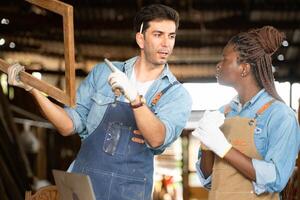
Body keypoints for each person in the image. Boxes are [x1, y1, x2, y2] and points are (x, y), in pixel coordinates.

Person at [7, 4, 192, 200]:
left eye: (171, 36)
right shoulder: (103, 73)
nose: (166, 44)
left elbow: (157, 138)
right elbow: (68, 125)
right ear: (141, 39)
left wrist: (134, 98)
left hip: (129, 191)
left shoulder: (176, 95)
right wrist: (33, 89)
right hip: (83, 184)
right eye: (158, 34)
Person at [193, 26, 300, 200]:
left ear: (244, 68)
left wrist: (224, 148)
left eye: (225, 59)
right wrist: (207, 144)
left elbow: (277, 177)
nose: (218, 65)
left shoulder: (279, 115)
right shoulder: (222, 114)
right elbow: (208, 180)